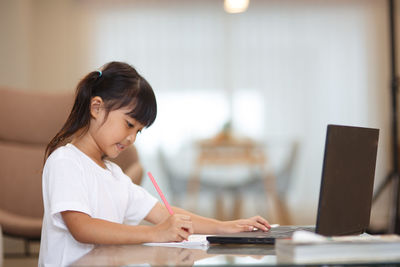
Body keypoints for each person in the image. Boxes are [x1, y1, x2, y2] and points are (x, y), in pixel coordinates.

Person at [38, 61, 271, 266]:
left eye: (139, 131)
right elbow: (83, 228)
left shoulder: (114, 175)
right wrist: (155, 233)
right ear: (96, 107)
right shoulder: (66, 161)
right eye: (129, 124)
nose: (131, 138)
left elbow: (163, 213)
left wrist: (225, 227)